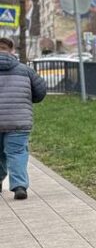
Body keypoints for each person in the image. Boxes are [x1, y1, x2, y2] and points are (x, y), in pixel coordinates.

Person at [0, 36, 47, 201]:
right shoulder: (25, 70)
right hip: (19, 120)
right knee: (17, 152)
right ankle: (19, 186)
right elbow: (40, 92)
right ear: (11, 50)